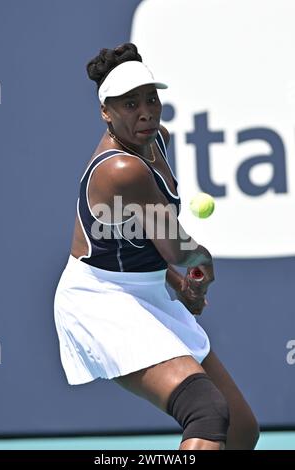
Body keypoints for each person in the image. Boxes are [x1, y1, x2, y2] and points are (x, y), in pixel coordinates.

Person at [54, 43, 259, 450]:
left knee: (240, 431)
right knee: (206, 411)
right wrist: (203, 264)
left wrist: (182, 287)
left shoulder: (157, 139)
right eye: (129, 104)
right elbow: (178, 249)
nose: (146, 111)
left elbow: (144, 239)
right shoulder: (121, 169)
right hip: (101, 301)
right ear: (105, 112)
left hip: (144, 289)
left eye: (151, 98)